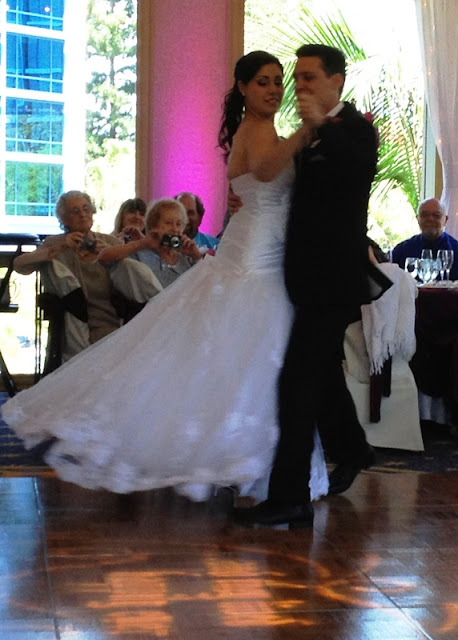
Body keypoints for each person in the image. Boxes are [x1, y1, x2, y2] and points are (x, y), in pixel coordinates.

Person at [0, 51, 328, 509]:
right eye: (262, 82)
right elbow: (270, 169)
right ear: (242, 89)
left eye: (278, 82)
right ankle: (252, 469)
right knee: (256, 363)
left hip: (263, 253)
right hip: (252, 262)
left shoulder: (265, 131)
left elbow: (269, 182)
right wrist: (308, 129)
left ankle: (252, 465)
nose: (273, 89)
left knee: (251, 365)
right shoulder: (257, 130)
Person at [234, 44, 378, 528]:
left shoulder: (355, 128)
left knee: (296, 381)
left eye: (310, 78)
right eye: (299, 79)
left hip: (333, 281)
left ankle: (289, 497)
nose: (300, 88)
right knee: (319, 375)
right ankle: (354, 448)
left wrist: (317, 124)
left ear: (338, 81)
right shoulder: (309, 133)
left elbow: (357, 174)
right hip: (299, 277)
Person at [13, 190, 161, 364]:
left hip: (108, 318)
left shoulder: (110, 242)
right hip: (70, 322)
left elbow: (133, 275)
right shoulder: (55, 243)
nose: (82, 214)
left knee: (109, 357)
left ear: (92, 213)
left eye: (86, 209)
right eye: (75, 211)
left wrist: (108, 253)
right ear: (63, 219)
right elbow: (20, 266)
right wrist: (61, 246)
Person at [99, 198, 202, 289]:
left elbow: (206, 287)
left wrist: (197, 256)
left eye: (179, 224)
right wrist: (142, 243)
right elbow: (103, 257)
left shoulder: (187, 258)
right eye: (168, 223)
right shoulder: (141, 253)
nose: (175, 229)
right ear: (153, 225)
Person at [391, 197, 458, 279]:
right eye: (425, 215)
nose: (430, 219)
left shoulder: (456, 250)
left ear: (445, 220)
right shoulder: (401, 251)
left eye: (436, 215)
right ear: (417, 219)